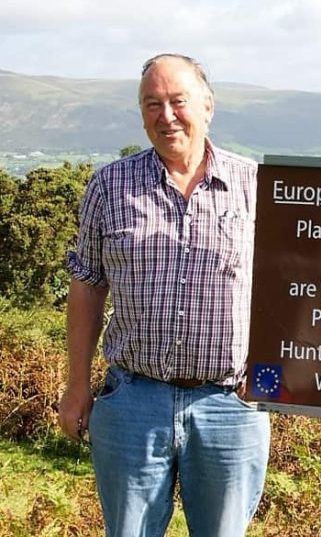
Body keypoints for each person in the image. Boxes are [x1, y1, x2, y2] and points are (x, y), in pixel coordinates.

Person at [58, 53, 270, 537]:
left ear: (208, 106)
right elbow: (87, 285)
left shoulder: (254, 185)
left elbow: (287, 290)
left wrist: (265, 381)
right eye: (152, 103)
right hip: (133, 402)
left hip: (228, 408)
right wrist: (76, 385)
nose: (166, 115)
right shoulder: (109, 187)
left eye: (178, 100)